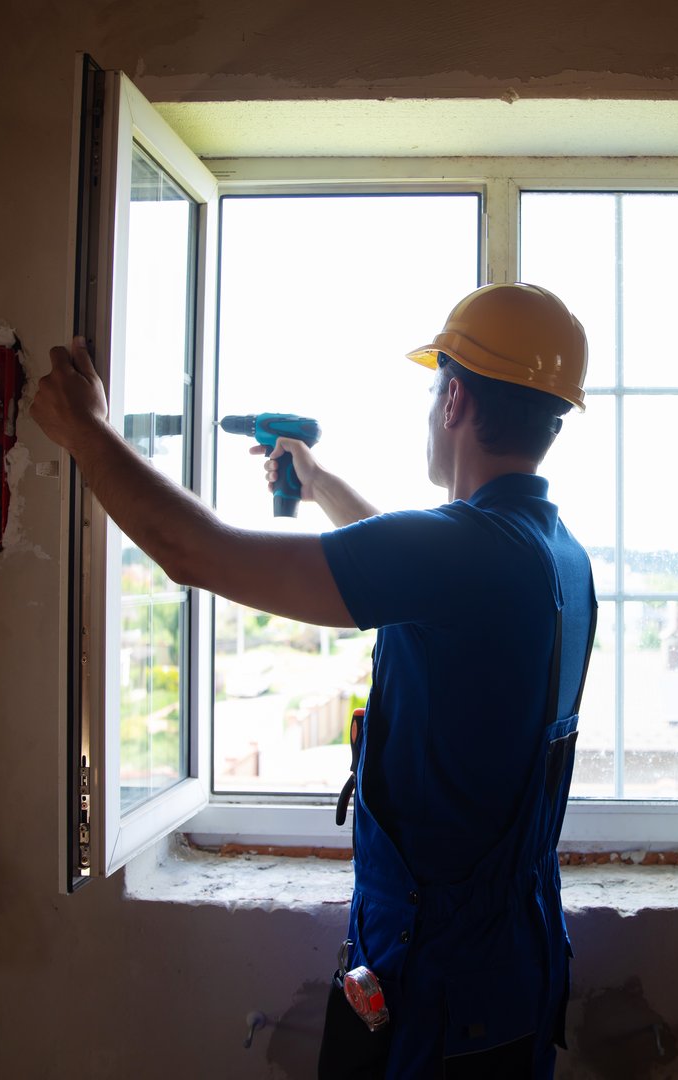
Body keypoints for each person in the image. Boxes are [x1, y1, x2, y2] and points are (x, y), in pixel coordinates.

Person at [33, 282, 597, 1079]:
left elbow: (197, 554)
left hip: (442, 987)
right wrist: (317, 478)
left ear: (454, 398)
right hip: (505, 969)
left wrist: (86, 433)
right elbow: (410, 576)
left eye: (435, 384)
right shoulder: (550, 551)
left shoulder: (469, 551)